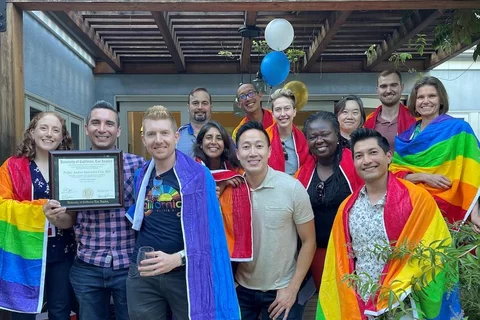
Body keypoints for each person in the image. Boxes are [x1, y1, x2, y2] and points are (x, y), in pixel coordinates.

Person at [316, 128, 461, 319]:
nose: (366, 160)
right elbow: (340, 260)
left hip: (405, 304)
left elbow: (437, 249)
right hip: (361, 304)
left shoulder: (417, 199)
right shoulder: (347, 208)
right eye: (359, 156)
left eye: (373, 152)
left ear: (389, 156)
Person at [126, 106, 240, 320]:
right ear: (144, 139)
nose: (158, 140)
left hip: (186, 273)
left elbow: (211, 233)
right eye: (151, 134)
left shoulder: (198, 175)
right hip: (144, 273)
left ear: (176, 136)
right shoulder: (142, 175)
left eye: (164, 133)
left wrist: (177, 259)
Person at [69, 101, 144, 320]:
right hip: (87, 265)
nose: (102, 129)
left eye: (109, 124)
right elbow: (67, 221)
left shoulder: (138, 165)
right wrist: (55, 214)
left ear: (118, 130)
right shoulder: (72, 166)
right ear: (86, 128)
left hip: (128, 264)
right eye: (96, 123)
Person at [234, 121, 316, 320]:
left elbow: (309, 241)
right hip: (241, 289)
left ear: (270, 151)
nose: (253, 153)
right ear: (237, 154)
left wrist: (292, 288)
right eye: (246, 147)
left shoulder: (292, 188)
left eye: (259, 146)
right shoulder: (232, 190)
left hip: (282, 289)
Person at [0, 112, 77, 319]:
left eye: (55, 130)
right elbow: (1, 204)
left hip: (61, 252)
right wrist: (39, 210)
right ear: (32, 132)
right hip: (23, 254)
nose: (49, 134)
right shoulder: (12, 167)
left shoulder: (70, 168)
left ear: (62, 137)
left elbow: (72, 216)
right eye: (43, 128)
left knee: (60, 311)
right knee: (22, 312)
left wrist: (58, 218)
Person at [390, 76, 480, 226]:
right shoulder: (406, 137)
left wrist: (475, 213)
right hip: (414, 208)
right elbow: (394, 176)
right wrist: (423, 177)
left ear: (441, 100)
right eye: (420, 97)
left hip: (449, 207)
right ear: (414, 101)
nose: (425, 101)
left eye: (432, 96)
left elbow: (473, 172)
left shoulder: (459, 129)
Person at [295, 111, 363, 289]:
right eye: (313, 136)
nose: (319, 140)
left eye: (325, 134)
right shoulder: (302, 173)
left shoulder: (356, 164)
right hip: (317, 254)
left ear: (337, 135)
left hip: (353, 254)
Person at [193, 121, 252, 261]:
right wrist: (224, 183)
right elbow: (199, 203)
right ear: (200, 143)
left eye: (219, 138)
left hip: (227, 239)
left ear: (225, 144)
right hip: (201, 239)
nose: (213, 142)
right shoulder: (193, 171)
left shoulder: (234, 170)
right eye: (208, 137)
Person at [364, 70, 416, 150]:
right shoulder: (367, 123)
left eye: (393, 85)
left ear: (401, 88)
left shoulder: (416, 119)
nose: (388, 90)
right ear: (377, 90)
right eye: (383, 86)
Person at [266, 88, 309, 175]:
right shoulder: (264, 138)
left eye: (287, 108)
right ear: (273, 114)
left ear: (294, 112)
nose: (282, 114)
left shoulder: (304, 140)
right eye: (278, 109)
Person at [176, 87, 213, 157]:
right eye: (195, 103)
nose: (200, 107)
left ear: (211, 107)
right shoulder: (177, 137)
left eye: (204, 103)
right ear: (188, 107)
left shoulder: (222, 136)